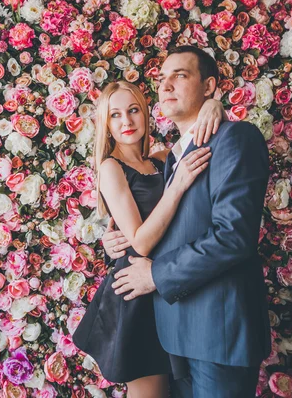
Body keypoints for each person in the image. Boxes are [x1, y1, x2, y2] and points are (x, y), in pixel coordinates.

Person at [104, 46, 272, 397]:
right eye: (162, 79)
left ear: (209, 86)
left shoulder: (235, 138)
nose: (165, 86)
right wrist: (117, 239)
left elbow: (233, 237)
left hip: (218, 336)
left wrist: (155, 273)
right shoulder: (171, 159)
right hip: (171, 332)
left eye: (179, 75)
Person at [72, 80, 226, 398]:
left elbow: (203, 136)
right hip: (136, 295)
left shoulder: (161, 157)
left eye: (132, 111)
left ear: (145, 113)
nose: (126, 121)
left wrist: (213, 105)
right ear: (105, 124)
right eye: (115, 115)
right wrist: (178, 184)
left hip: (168, 284)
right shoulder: (111, 167)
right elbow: (140, 242)